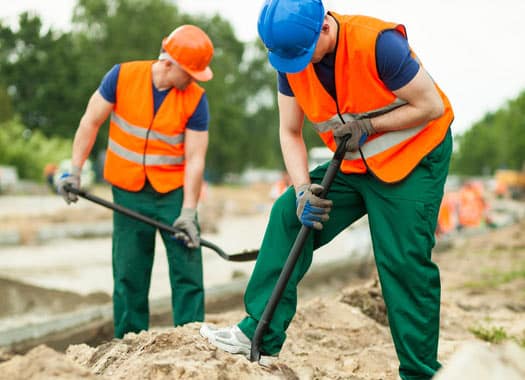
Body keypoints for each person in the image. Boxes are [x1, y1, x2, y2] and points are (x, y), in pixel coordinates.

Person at [200, 1, 454, 379]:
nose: (296, 65)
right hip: (352, 162)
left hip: (412, 159)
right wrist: (303, 190)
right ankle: (259, 332)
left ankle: (420, 373)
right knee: (288, 215)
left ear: (323, 27)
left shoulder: (378, 44)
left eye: (301, 54)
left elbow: (431, 105)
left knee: (402, 260)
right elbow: (289, 131)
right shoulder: (291, 58)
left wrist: (368, 126)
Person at [57, 25, 214, 338]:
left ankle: (192, 336)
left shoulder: (195, 99)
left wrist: (188, 212)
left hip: (173, 194)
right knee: (129, 270)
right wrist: (74, 171)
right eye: (191, 72)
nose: (195, 79)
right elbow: (90, 121)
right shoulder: (121, 77)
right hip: (128, 191)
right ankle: (129, 340)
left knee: (187, 268)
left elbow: (196, 159)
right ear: (170, 64)